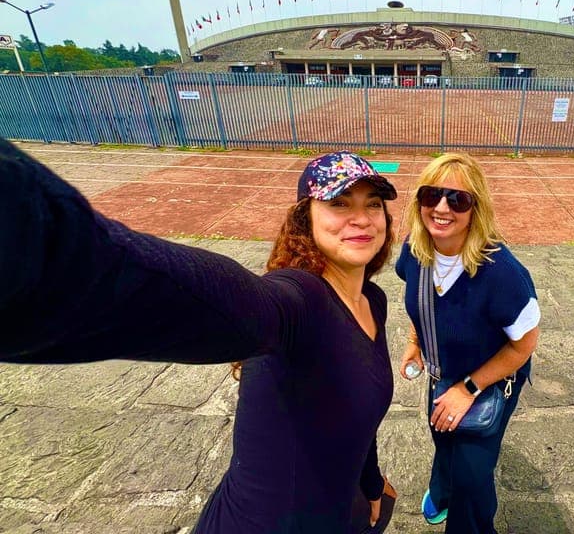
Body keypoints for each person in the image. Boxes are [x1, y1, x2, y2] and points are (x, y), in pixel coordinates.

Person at [0, 140, 398, 534]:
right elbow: (234, 305)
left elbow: (360, 420)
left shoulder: (373, 301)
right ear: (304, 221)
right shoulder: (300, 299)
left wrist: (370, 483)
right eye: (339, 203)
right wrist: (45, 250)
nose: (361, 219)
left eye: (373, 204)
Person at [396, 152, 540, 534]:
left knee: (473, 479)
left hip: (489, 380)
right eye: (431, 195)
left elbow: (524, 345)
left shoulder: (502, 273)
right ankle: (441, 491)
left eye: (457, 199)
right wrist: (415, 340)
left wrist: (468, 388)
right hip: (442, 374)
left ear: (476, 209)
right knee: (442, 436)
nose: (442, 208)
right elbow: (418, 301)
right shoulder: (415, 249)